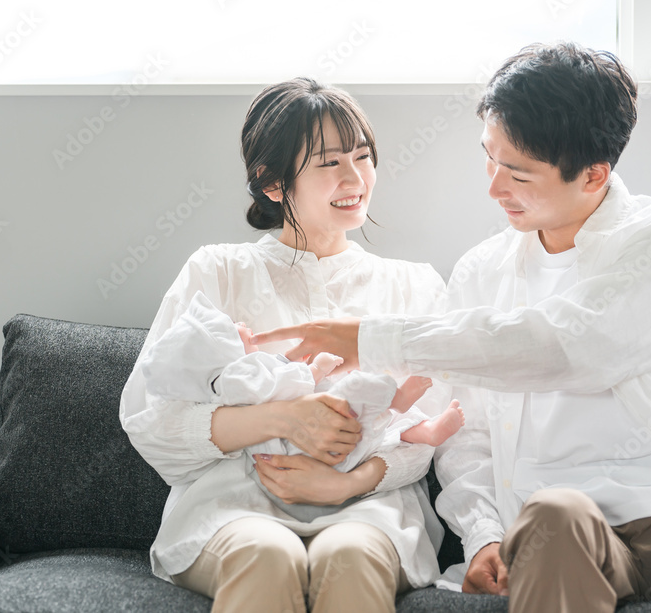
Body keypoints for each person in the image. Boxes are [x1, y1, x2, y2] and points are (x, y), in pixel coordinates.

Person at [249, 43, 651, 612]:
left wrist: (372, 339)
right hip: (562, 531)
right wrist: (483, 535)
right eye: (489, 157)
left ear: (593, 174)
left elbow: (569, 346)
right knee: (557, 512)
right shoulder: (482, 271)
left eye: (518, 174)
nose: (494, 187)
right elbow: (468, 433)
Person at [119, 77, 453, 613]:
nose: (355, 178)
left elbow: (431, 428)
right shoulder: (217, 272)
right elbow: (149, 421)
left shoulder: (414, 286)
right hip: (232, 510)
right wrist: (285, 418)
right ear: (272, 182)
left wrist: (348, 483)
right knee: (267, 555)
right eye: (329, 163)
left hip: (371, 510)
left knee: (352, 556)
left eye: (362, 156)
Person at [136, 289, 465, 522]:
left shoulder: (417, 284)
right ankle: (402, 407)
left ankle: (418, 425)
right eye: (231, 328)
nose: (242, 324)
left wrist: (348, 485)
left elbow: (274, 380)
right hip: (265, 485)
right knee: (359, 392)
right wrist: (310, 376)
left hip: (347, 485)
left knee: (374, 425)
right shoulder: (236, 375)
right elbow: (151, 433)